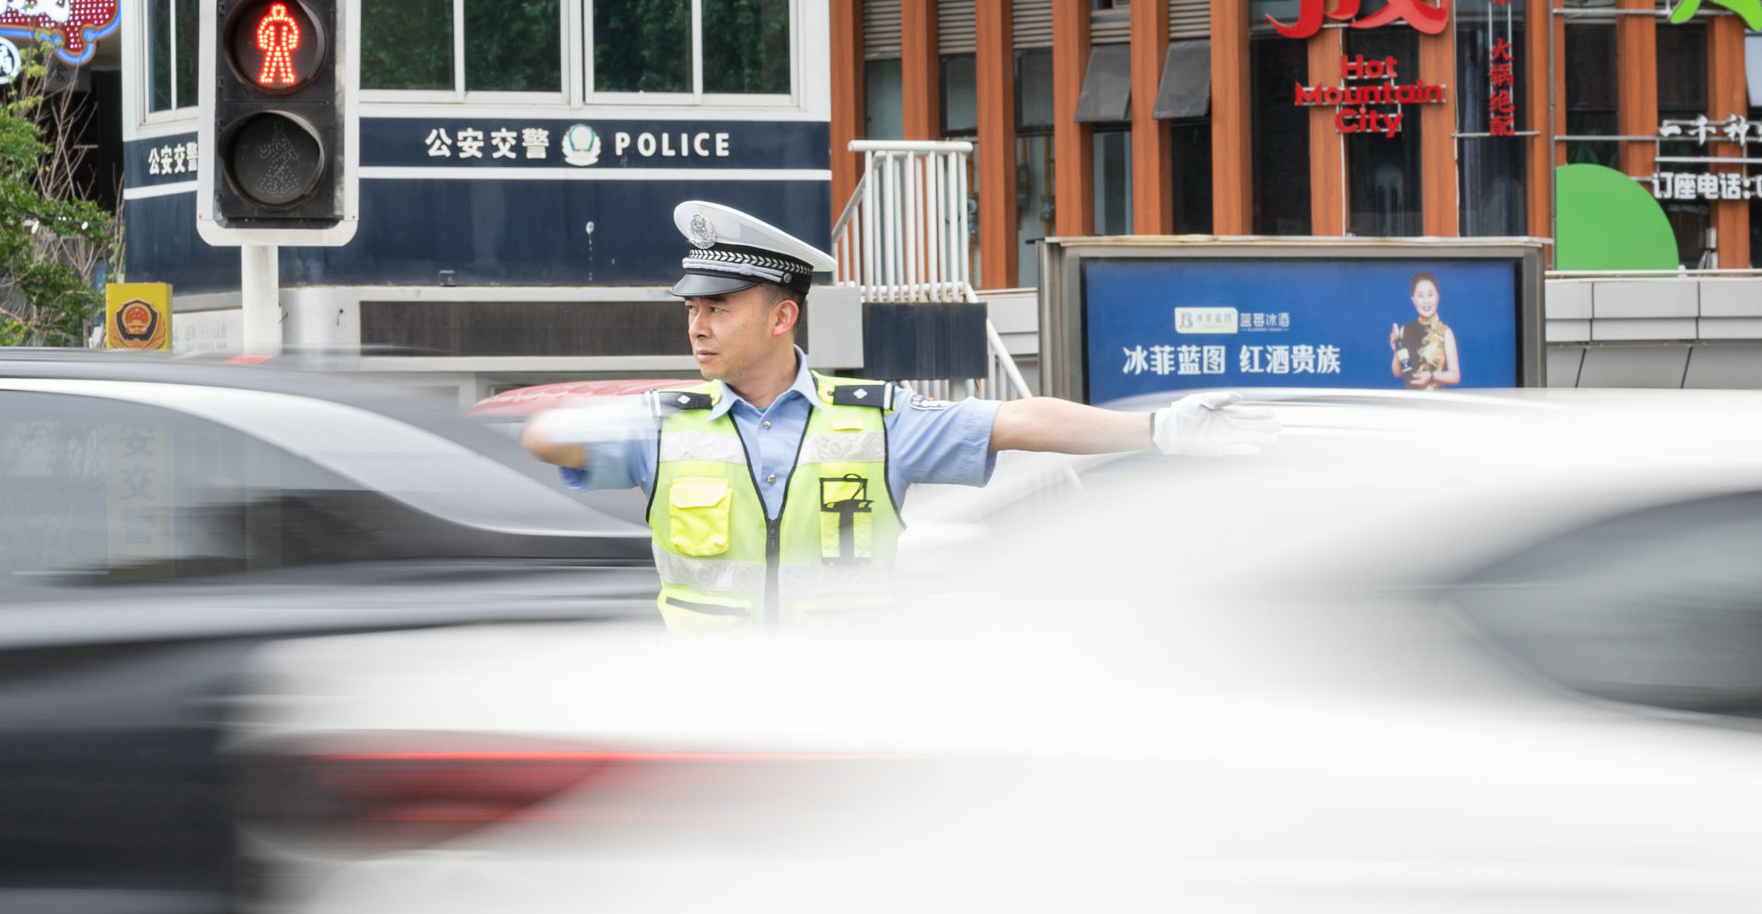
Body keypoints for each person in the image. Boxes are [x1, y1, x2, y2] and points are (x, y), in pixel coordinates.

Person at [519, 200, 1269, 627]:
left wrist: (1159, 431)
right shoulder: (664, 428)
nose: (697, 326)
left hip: (847, 712)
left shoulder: (879, 420)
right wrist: (574, 426)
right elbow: (546, 441)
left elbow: (1017, 421)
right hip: (707, 723)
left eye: (717, 307)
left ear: (783, 318)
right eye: (691, 309)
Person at [1392, 271, 1461, 390]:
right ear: (1413, 300)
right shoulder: (1405, 329)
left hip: (1435, 400)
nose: (1426, 301)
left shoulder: (1445, 332)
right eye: (1420, 296)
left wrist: (1431, 375)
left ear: (1438, 297)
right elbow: (1397, 373)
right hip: (1410, 399)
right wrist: (1396, 349)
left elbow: (1455, 376)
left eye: (1430, 294)